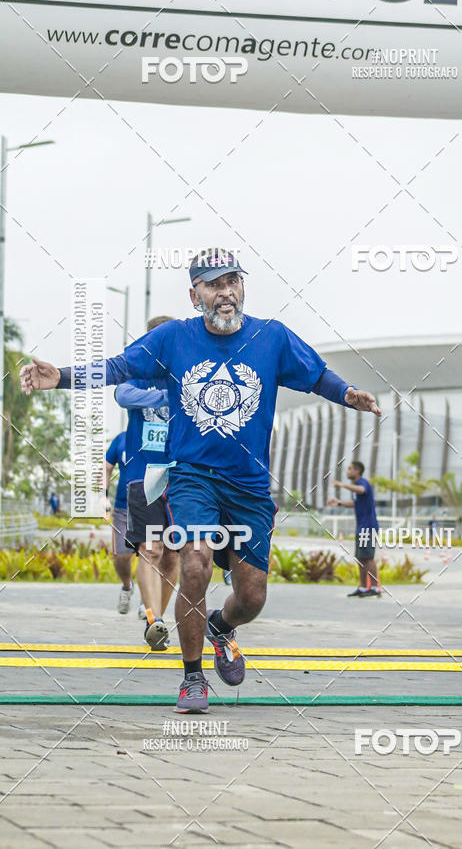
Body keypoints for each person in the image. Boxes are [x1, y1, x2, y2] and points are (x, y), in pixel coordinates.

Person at [19, 248, 381, 714]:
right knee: (195, 564)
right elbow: (118, 368)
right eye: (213, 284)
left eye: (232, 281)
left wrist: (348, 394)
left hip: (249, 486)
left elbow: (315, 376)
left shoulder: (271, 338)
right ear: (195, 295)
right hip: (193, 477)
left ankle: (222, 627)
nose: (225, 291)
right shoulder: (172, 339)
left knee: (251, 596)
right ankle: (193, 678)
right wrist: (62, 377)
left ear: (243, 288)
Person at [115, 316, 180, 651]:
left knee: (174, 556)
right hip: (145, 476)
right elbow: (122, 395)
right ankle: (153, 618)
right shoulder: (139, 372)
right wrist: (165, 398)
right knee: (150, 550)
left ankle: (159, 624)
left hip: (182, 477)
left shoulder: (187, 372)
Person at [327, 461, 381, 597]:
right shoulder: (357, 486)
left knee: (368, 558)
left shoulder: (363, 483)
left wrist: (342, 485)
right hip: (361, 527)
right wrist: (339, 502)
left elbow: (362, 491)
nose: (348, 471)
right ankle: (363, 588)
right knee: (361, 558)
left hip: (368, 527)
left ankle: (374, 588)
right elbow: (355, 504)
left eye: (350, 469)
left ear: (357, 471)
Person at [105, 430, 137, 614]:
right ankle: (127, 586)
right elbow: (107, 466)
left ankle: (149, 606)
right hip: (123, 507)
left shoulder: (159, 433)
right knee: (121, 556)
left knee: (152, 555)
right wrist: (104, 496)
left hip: (152, 505)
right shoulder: (121, 439)